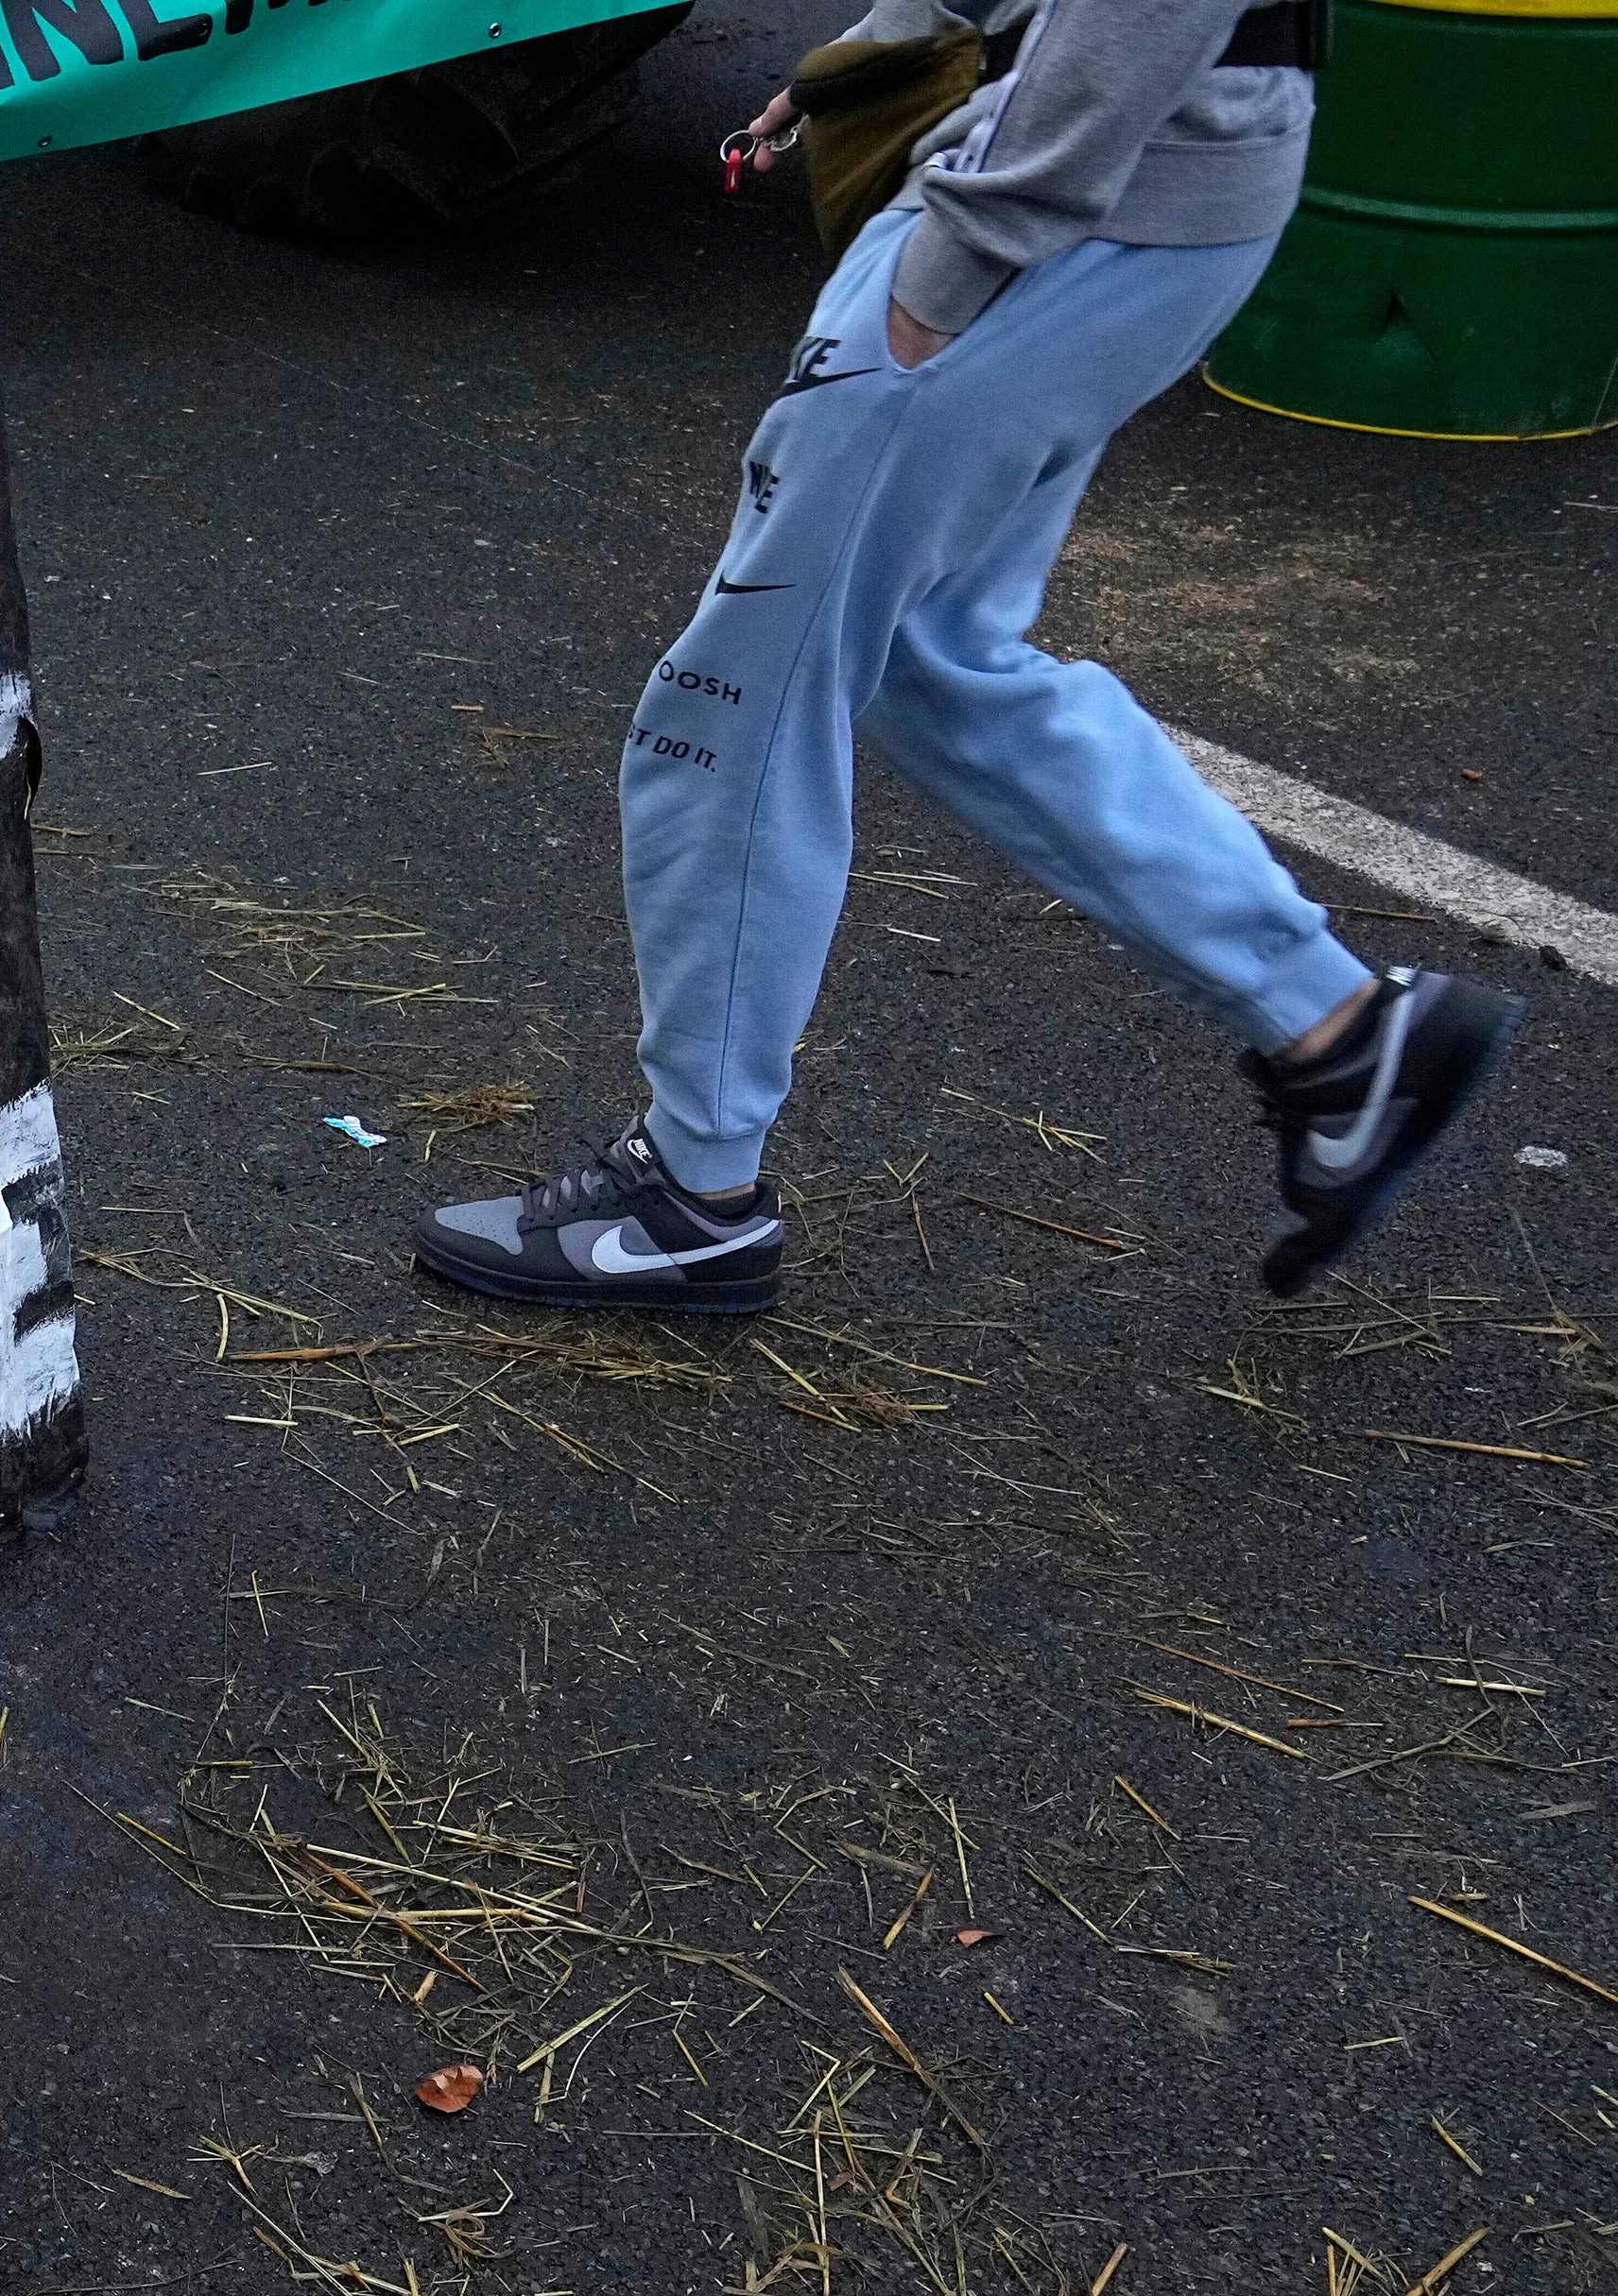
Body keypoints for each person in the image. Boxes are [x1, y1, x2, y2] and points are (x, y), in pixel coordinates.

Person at [415, 0, 1523, 1316]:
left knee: (736, 704)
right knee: (933, 656)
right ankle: (1340, 1033)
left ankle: (688, 1197)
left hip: (1072, 207)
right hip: (1159, 190)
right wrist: (901, 38)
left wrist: (968, 248)